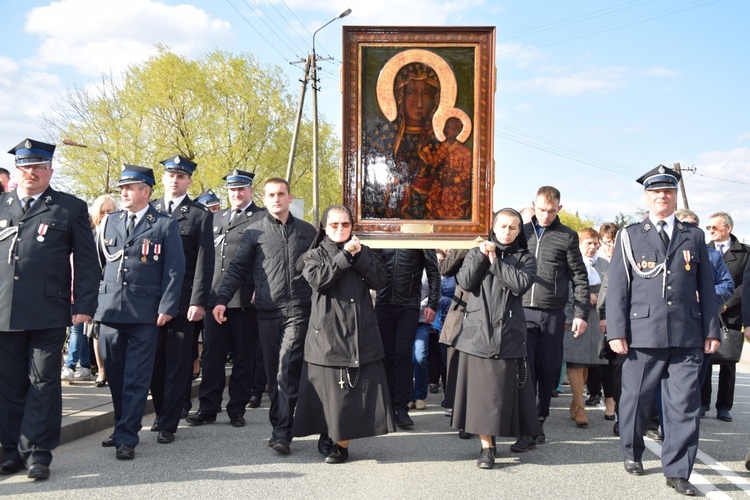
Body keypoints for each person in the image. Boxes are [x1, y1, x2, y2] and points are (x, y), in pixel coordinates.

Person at [607, 165, 720, 496]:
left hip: (687, 333)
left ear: (674, 196)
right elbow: (617, 288)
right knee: (636, 400)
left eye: (668, 191)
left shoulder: (694, 236)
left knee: (684, 404)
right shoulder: (629, 235)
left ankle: (678, 471)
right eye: (656, 192)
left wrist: (711, 329)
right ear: (647, 197)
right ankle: (632, 451)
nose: (662, 196)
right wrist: (617, 331)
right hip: (644, 334)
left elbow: (707, 288)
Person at [0, 139, 99, 480]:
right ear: (17, 171)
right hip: (5, 309)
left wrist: (85, 305)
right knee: (9, 384)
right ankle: (11, 450)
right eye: (26, 167)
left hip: (48, 309)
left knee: (43, 382)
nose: (32, 173)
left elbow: (88, 261)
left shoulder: (68, 207)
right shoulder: (2, 205)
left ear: (50, 171)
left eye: (39, 167)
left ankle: (38, 454)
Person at [213, 177, 316, 455]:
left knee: (286, 368)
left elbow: (320, 268)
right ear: (265, 197)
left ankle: (283, 432)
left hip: (298, 310)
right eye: (271, 194)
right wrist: (222, 299)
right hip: (267, 312)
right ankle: (278, 427)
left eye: (281, 194)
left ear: (290, 197)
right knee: (273, 374)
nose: (276, 199)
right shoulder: (254, 232)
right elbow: (236, 269)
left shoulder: (307, 232)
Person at [293, 205, 396, 463]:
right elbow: (319, 280)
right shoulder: (312, 255)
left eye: (345, 224)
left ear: (352, 227)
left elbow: (380, 281)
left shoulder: (364, 252)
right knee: (328, 390)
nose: (340, 229)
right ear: (324, 228)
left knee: (350, 391)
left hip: (360, 331)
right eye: (334, 225)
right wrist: (345, 258)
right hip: (326, 333)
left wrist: (358, 256)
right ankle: (329, 431)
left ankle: (341, 444)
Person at [95, 164, 185, 460]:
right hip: (110, 311)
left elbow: (174, 269)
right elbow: (101, 263)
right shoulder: (110, 221)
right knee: (117, 376)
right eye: (122, 188)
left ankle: (126, 436)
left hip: (145, 313)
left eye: (129, 188)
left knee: (136, 377)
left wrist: (167, 306)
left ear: (146, 191)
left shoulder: (163, 224)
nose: (123, 192)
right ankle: (123, 424)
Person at [452, 208, 540, 469]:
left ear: (518, 231)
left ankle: (520, 434)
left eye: (513, 227)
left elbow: (519, 284)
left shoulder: (526, 257)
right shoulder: (477, 251)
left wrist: (495, 261)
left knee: (501, 393)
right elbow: (465, 282)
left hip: (509, 332)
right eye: (502, 226)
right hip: (478, 331)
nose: (507, 231)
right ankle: (487, 448)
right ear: (493, 227)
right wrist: (482, 255)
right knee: (482, 395)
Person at [189, 169, 265, 427]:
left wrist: (259, 288)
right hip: (215, 297)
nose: (236, 194)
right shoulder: (215, 217)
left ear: (251, 191)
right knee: (212, 355)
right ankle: (208, 407)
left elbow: (264, 259)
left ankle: (236, 409)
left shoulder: (261, 217)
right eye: (232, 190)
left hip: (243, 298)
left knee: (244, 356)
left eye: (241, 189)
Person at [149, 155, 214, 444]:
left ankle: (169, 422)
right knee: (154, 362)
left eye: (180, 176)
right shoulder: (150, 211)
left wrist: (198, 301)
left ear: (188, 181)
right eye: (170, 175)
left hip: (184, 301)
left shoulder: (199, 215)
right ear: (163, 179)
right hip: (150, 299)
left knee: (178, 361)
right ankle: (161, 410)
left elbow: (204, 262)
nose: (174, 180)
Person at [522, 186, 590, 443]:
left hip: (553, 312)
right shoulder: (522, 232)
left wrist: (580, 313)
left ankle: (540, 419)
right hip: (523, 311)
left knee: (547, 369)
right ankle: (527, 422)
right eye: (541, 209)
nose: (545, 215)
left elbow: (579, 277)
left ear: (559, 209)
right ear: (534, 205)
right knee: (524, 368)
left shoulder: (567, 237)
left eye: (551, 211)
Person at [362, 62, 443, 219]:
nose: (419, 103)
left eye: (425, 94)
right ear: (400, 97)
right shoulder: (382, 137)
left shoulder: (439, 140)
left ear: (435, 99)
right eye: (412, 92)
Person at [375, 248, 441, 428]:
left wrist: (433, 303)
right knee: (386, 355)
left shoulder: (418, 237)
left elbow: (433, 272)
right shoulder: (383, 233)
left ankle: (401, 408)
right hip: (383, 302)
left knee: (403, 353)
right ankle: (387, 406)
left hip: (409, 304)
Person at [703, 211, 748, 422]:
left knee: (728, 362)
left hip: (731, 314)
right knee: (705, 358)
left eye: (715, 227)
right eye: (708, 227)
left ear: (728, 228)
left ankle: (724, 406)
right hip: (707, 311)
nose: (710, 231)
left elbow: (744, 286)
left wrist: (726, 303)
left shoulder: (745, 253)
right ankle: (703, 402)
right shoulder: (703, 250)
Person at [563, 227, 609, 428]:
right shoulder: (570, 262)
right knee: (575, 361)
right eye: (588, 243)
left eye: (595, 243)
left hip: (597, 317)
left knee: (589, 360)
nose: (592, 247)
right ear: (579, 244)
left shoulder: (605, 264)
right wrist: (583, 297)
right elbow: (564, 287)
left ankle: (576, 400)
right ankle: (580, 406)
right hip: (576, 314)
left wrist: (602, 298)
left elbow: (611, 287)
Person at [88, 194, 117, 388]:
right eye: (102, 211)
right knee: (96, 333)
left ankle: (114, 370)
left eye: (110, 211)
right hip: (96, 289)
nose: (106, 214)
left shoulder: (119, 231)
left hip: (114, 290)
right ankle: (101, 370)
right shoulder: (90, 234)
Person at [426, 116, 472, 219]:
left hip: (457, 183)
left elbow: (467, 172)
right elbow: (434, 163)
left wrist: (454, 180)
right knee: (434, 191)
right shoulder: (443, 147)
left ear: (457, 131)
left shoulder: (464, 150)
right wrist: (426, 150)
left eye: (451, 128)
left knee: (448, 194)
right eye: (446, 127)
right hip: (442, 181)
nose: (447, 131)